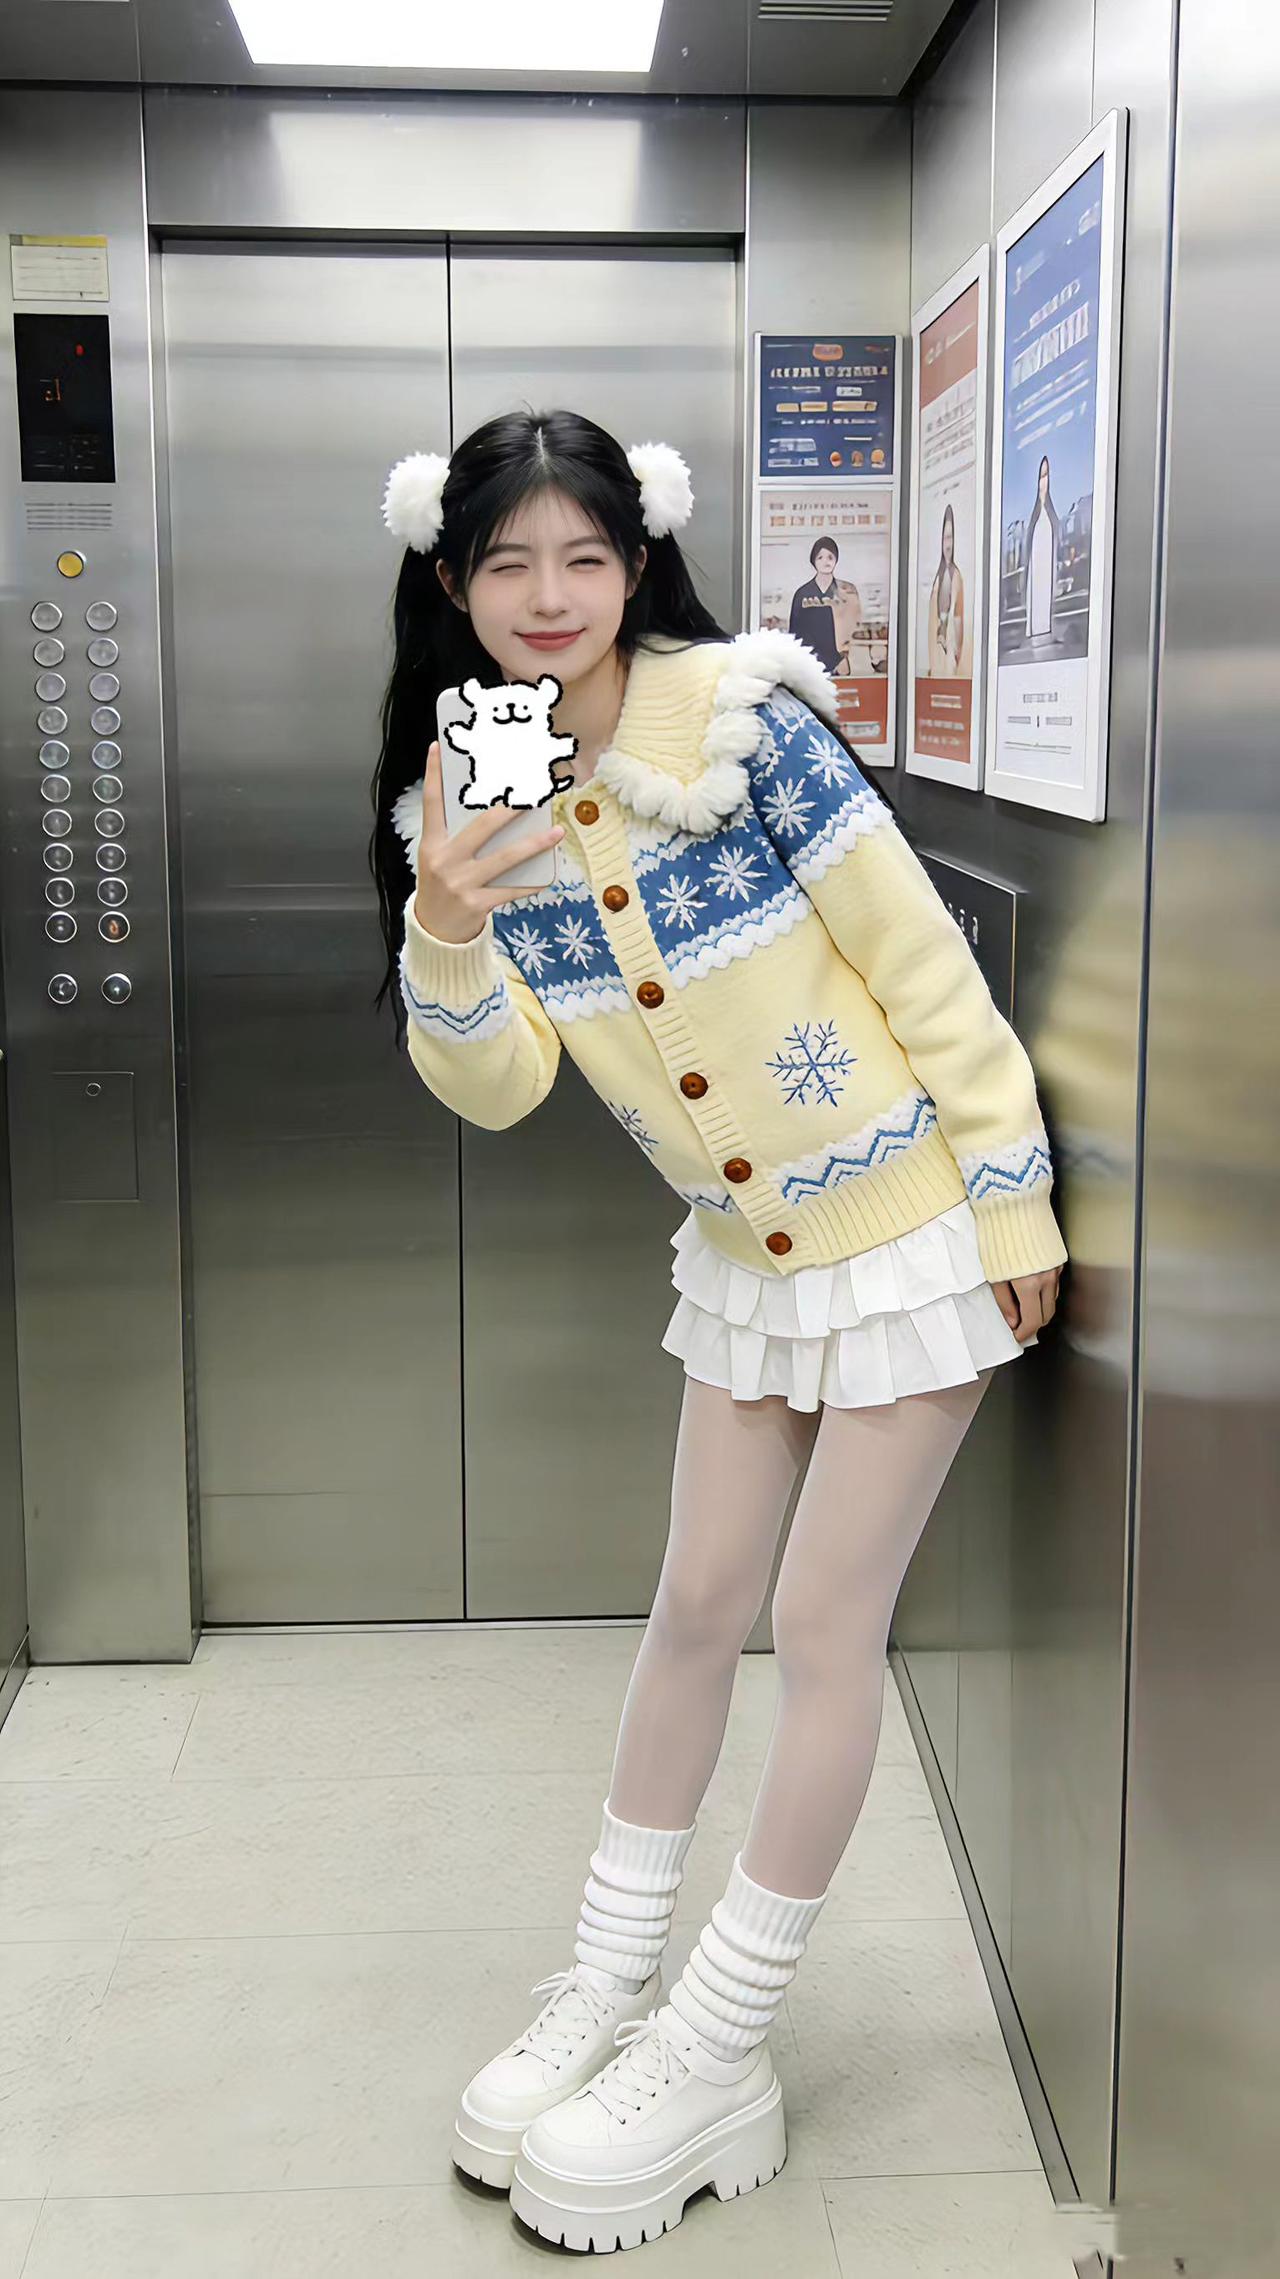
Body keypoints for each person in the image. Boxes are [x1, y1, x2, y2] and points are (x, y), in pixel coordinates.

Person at [369, 407, 1067, 2255]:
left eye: (583, 557)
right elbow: (504, 1085)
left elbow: (918, 953)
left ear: (637, 562)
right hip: (743, 1255)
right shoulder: (475, 781)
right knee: (691, 1605)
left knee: (823, 1628)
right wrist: (444, 923)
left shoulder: (742, 721)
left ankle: (719, 2040)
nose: (548, 595)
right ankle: (609, 1981)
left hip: (906, 1234)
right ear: (452, 582)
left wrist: (1010, 1187)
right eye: (508, 562)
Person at [786, 535, 861, 673]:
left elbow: (854, 626)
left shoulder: (846, 591)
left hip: (839, 663)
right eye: (820, 557)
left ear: (836, 560)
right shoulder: (802, 593)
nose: (825, 562)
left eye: (830, 557)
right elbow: (794, 633)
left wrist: (845, 658)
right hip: (809, 663)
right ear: (813, 561)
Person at [927, 500, 965, 675]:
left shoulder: (956, 575)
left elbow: (958, 617)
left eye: (950, 538)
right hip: (937, 643)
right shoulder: (938, 576)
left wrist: (955, 652)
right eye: (945, 538)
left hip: (950, 645)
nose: (948, 544)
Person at [1024, 453, 1060, 639]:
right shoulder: (1034, 519)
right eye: (1041, 476)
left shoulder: (1052, 518)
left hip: (1047, 571)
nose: (1043, 481)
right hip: (1035, 573)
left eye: (1046, 476)